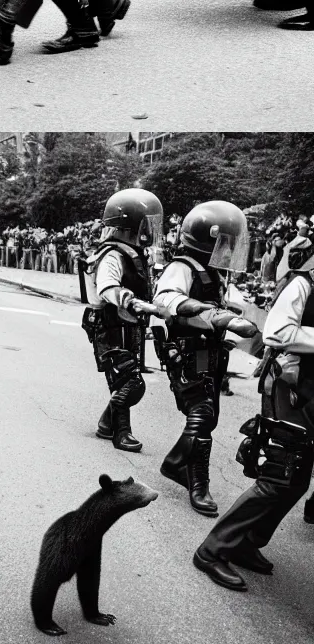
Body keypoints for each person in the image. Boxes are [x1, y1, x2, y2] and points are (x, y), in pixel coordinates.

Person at [193, 227, 314, 588]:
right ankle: (212, 550)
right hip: (289, 388)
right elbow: (276, 332)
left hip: (309, 392)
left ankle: (246, 543)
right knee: (279, 476)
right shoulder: (304, 283)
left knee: (296, 480)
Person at [153, 201, 257, 516]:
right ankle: (192, 477)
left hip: (208, 353)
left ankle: (183, 468)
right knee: (201, 413)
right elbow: (164, 299)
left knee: (207, 417)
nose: (228, 248)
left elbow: (228, 305)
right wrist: (212, 313)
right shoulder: (181, 267)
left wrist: (233, 316)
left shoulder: (213, 272)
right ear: (208, 238)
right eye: (224, 241)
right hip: (188, 351)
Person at [84, 189, 164, 452]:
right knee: (130, 382)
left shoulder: (135, 253)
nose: (150, 230)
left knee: (125, 378)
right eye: (145, 224)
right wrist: (129, 300)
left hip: (128, 325)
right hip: (110, 325)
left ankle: (107, 424)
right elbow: (107, 287)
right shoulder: (112, 255)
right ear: (129, 225)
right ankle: (122, 432)